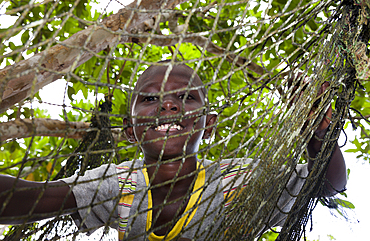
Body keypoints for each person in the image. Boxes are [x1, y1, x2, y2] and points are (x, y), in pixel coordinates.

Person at [0, 63, 347, 240]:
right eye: (150, 99)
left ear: (208, 125)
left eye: (185, 98)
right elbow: (28, 199)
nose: (168, 105)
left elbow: (328, 186)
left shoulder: (238, 180)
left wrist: (318, 134)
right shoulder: (116, 184)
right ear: (129, 129)